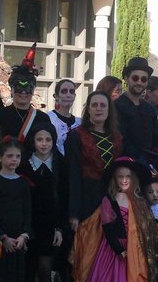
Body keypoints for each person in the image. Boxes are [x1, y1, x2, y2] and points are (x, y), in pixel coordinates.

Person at [72, 157, 157, 282]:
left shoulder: (139, 202)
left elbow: (145, 228)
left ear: (133, 178)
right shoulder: (109, 200)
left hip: (134, 249)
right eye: (120, 176)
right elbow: (107, 227)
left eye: (127, 176)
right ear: (114, 179)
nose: (124, 180)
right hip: (112, 249)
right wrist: (119, 249)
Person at [67, 90, 123, 230]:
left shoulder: (118, 138)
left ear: (109, 110)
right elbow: (72, 175)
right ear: (89, 109)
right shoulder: (76, 136)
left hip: (112, 197)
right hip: (86, 199)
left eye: (103, 105)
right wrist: (73, 212)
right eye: (95, 105)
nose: (99, 108)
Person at [18, 120, 65, 282]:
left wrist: (59, 228)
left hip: (50, 226)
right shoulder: (24, 165)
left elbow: (64, 198)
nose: (44, 144)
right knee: (28, 268)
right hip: (28, 224)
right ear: (33, 141)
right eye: (40, 140)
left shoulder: (61, 164)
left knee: (46, 267)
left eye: (48, 140)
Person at [0, 137, 32, 281]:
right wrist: (2, 237)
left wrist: (24, 235)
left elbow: (27, 211)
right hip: (0, 242)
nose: (14, 159)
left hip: (18, 240)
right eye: (10, 156)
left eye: (17, 156)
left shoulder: (23, 182)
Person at [0, 44, 52, 142]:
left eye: (28, 87)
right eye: (19, 86)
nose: (23, 92)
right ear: (11, 87)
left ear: (34, 88)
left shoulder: (42, 118)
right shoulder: (1, 116)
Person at [115, 57, 158, 158]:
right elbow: (121, 140)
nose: (139, 82)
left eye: (143, 79)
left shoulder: (149, 109)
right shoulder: (116, 106)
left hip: (149, 165)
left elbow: (157, 138)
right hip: (126, 164)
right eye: (135, 78)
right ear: (126, 79)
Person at [47, 78, 80, 155]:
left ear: (74, 96)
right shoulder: (48, 118)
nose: (68, 95)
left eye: (71, 91)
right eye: (64, 91)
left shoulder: (80, 122)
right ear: (56, 96)